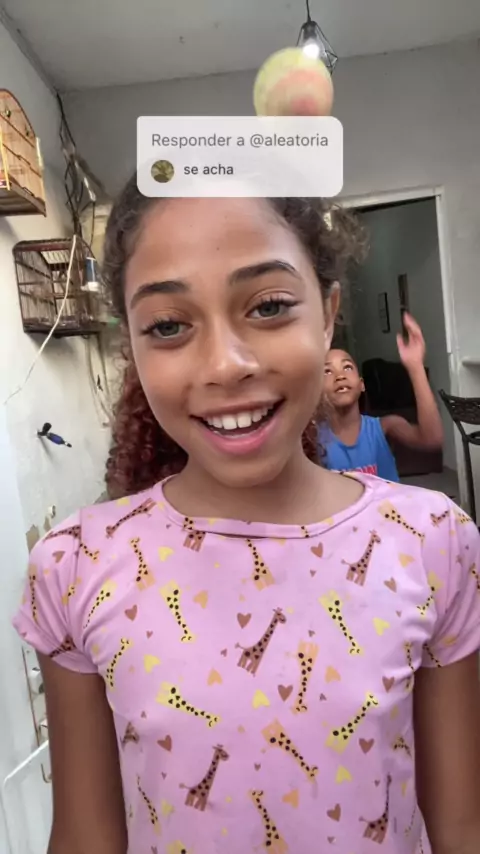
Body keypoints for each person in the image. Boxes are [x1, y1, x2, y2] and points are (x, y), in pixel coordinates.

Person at [12, 184, 480, 854]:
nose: (226, 365)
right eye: (168, 326)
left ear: (328, 315)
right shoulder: (77, 565)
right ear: (132, 347)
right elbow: (87, 837)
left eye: (268, 306)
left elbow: (461, 825)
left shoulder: (432, 540)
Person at [320, 315, 444, 481]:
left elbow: (432, 439)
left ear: (362, 384)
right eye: (327, 371)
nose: (340, 376)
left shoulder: (385, 426)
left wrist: (415, 366)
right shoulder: (314, 439)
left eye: (347, 367)